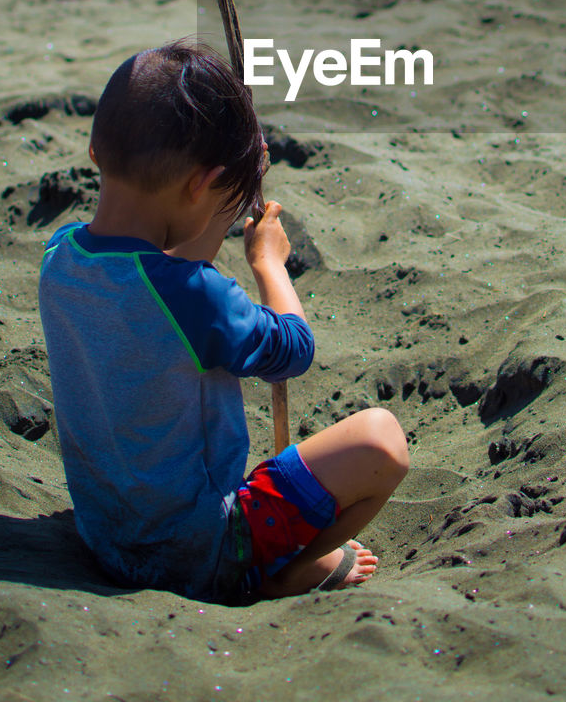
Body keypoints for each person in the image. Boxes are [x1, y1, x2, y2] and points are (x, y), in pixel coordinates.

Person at [39, 41, 409, 604]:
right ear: (201, 184)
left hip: (108, 541)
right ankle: (283, 571)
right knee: (382, 441)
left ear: (95, 151)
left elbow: (169, 283)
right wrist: (268, 263)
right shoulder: (196, 298)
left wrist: (222, 190)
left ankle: (274, 562)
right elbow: (292, 347)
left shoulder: (59, 258)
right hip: (207, 550)